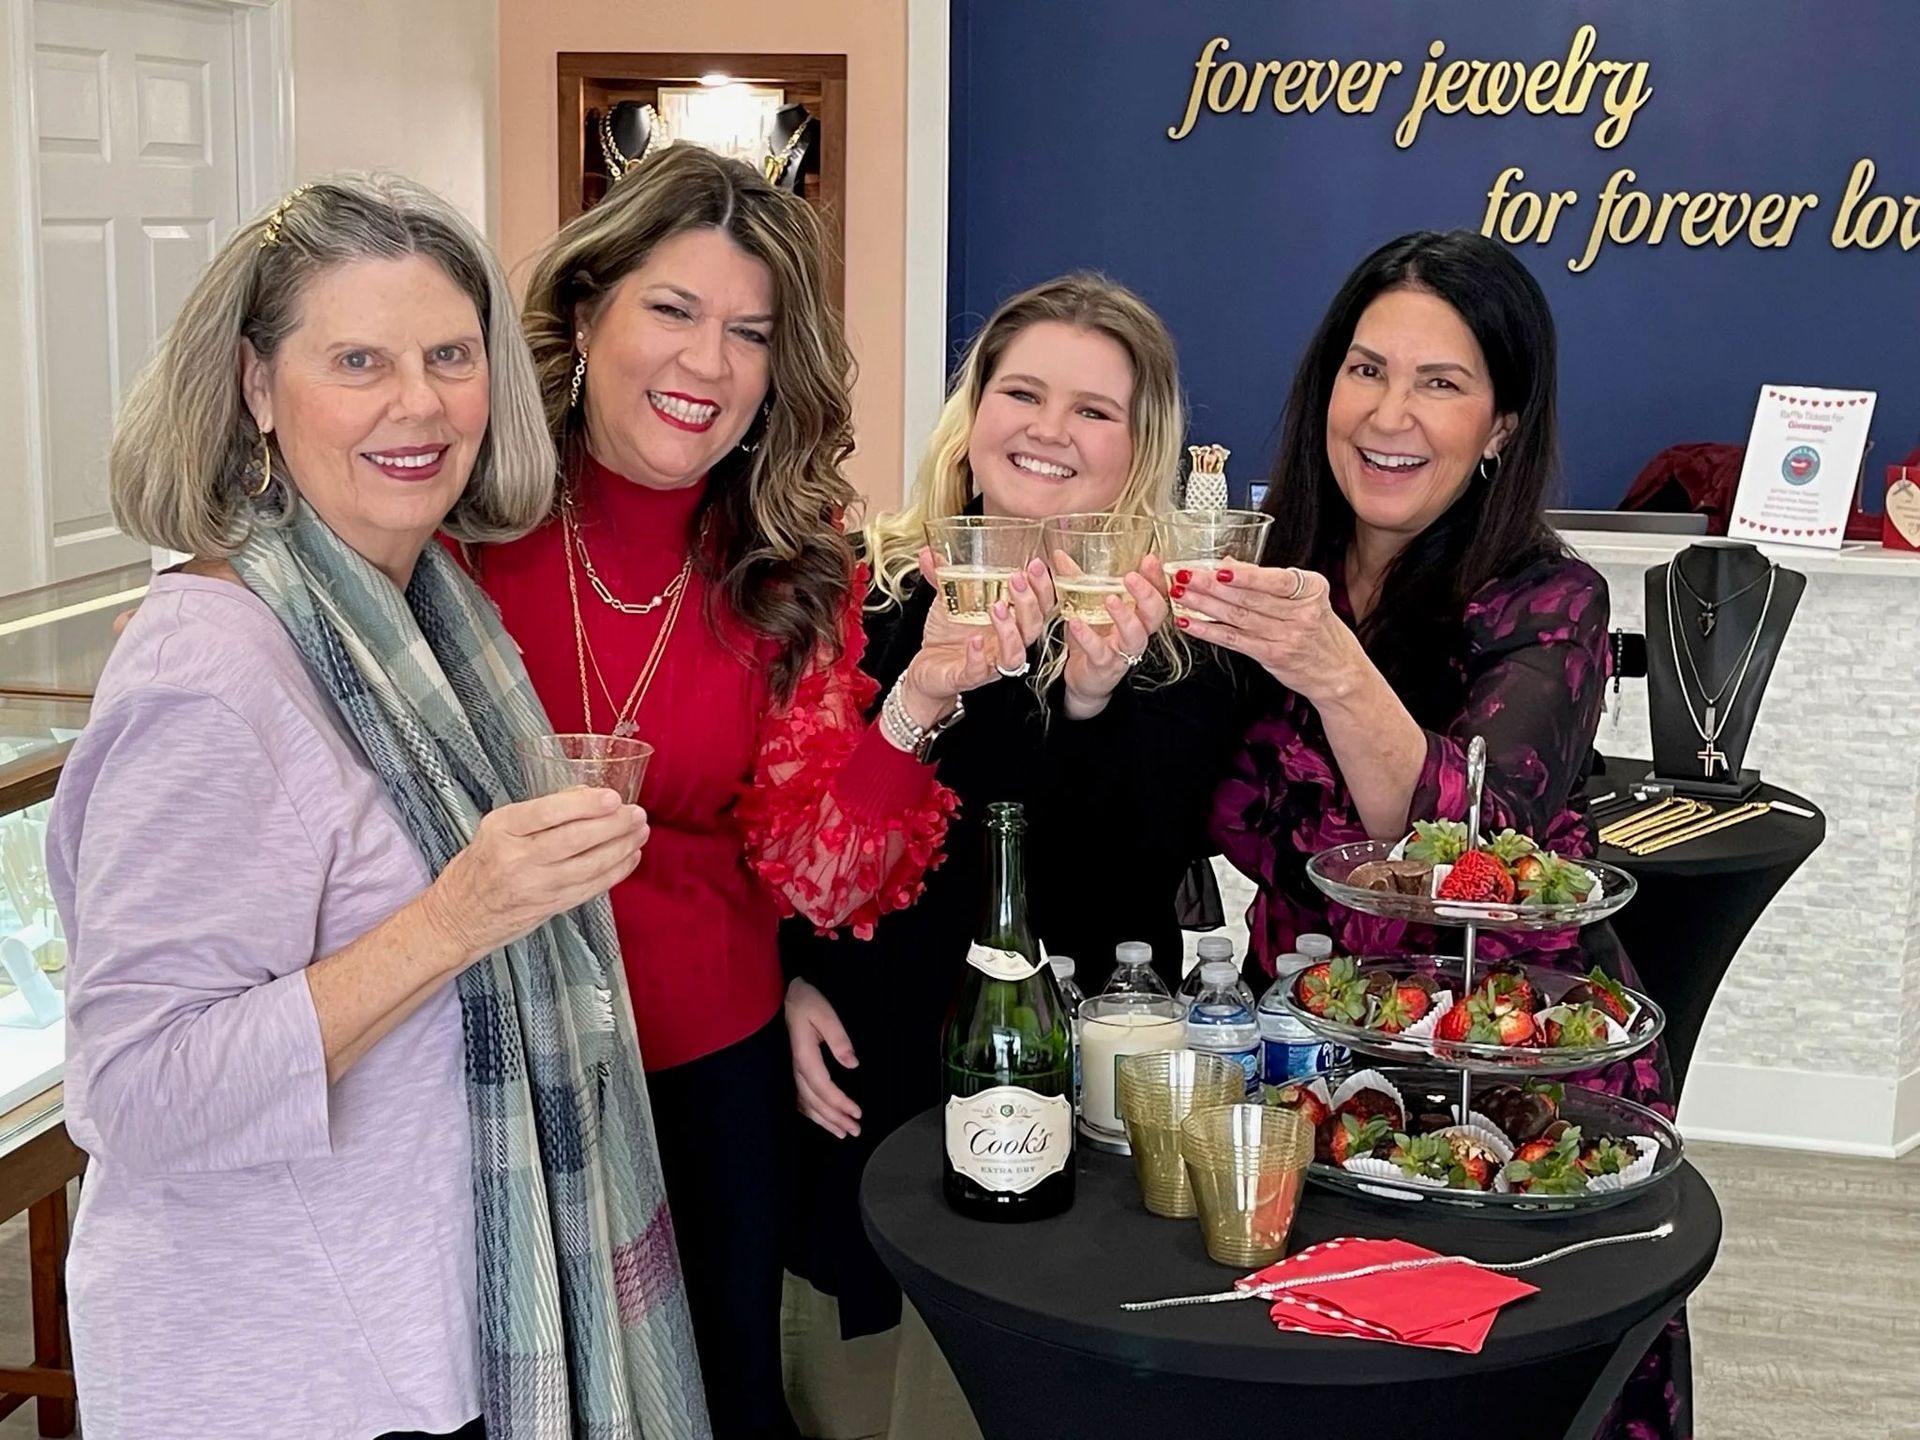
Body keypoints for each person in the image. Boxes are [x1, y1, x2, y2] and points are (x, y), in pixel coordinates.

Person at [50, 176, 706, 1439]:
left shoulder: (432, 615)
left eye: (449, 355)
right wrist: (459, 917)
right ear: (255, 387)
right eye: (357, 360)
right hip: (288, 1379)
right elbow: (133, 1093)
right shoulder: (212, 673)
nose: (418, 403)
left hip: (418, 1346)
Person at [464, 146, 963, 1439]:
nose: (708, 363)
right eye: (673, 311)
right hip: (479, 1054)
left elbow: (817, 869)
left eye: (750, 333)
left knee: (718, 1399)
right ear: (587, 313)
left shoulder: (794, 564)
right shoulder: (463, 512)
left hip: (710, 1068)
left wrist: (913, 712)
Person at [1185, 229, 1685, 1440]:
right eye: (1366, 370)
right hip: (1311, 1073)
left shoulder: (1548, 600)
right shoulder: (1266, 573)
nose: (1388, 413)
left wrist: (1336, 668)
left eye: (1442, 382)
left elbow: (1483, 840)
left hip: (1503, 1080)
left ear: (1502, 425)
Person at [780, 274, 1274, 1439]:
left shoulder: (1179, 632)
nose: (1050, 429)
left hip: (1057, 1091)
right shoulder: (857, 586)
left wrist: (1094, 700)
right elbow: (785, 824)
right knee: (850, 1394)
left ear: (1140, 448)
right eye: (1023, 391)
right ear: (974, 408)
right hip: (865, 1054)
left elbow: (1116, 912)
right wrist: (787, 974)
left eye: (1095, 410)